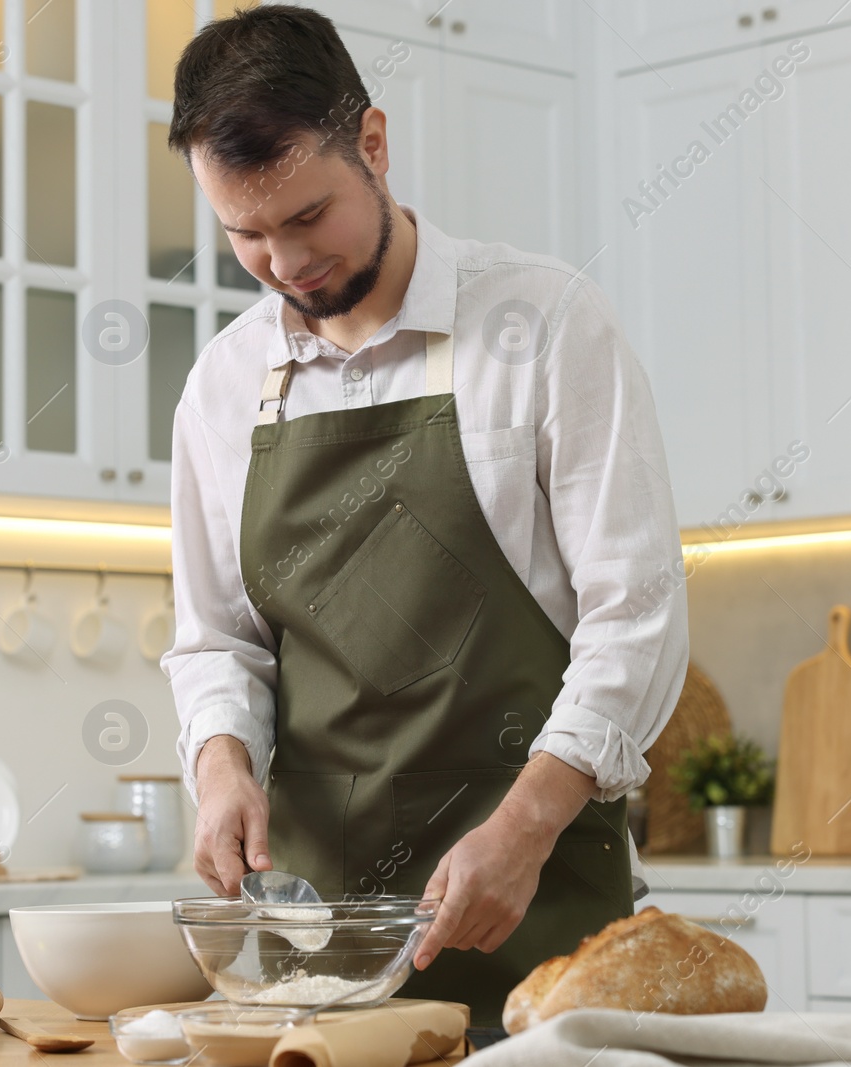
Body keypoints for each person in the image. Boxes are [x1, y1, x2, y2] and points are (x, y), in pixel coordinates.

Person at [158, 5, 689, 1024]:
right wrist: (219, 761)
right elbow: (216, 638)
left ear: (372, 144)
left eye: (307, 217)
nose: (285, 263)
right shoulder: (225, 384)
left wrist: (525, 827)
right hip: (320, 948)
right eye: (245, 235)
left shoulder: (544, 323)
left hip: (543, 919)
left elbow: (637, 615)